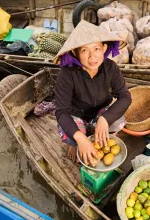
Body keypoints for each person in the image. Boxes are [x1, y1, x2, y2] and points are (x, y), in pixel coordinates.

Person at [53, 20, 132, 166]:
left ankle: (97, 134)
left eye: (96, 49)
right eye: (84, 50)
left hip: (100, 113)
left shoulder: (110, 68)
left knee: (119, 119)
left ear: (104, 48)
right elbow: (61, 111)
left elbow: (125, 97)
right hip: (76, 114)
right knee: (65, 129)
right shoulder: (67, 74)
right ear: (75, 54)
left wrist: (104, 119)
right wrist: (80, 139)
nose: (92, 56)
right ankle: (77, 142)